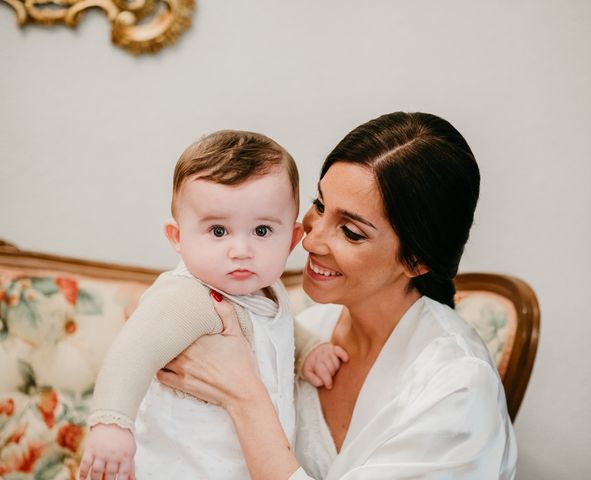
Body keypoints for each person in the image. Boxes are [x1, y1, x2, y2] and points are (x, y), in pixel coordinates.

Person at [157, 112, 518, 479]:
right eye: (319, 205)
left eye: (351, 232)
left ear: (417, 260)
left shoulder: (457, 386)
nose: (310, 240)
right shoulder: (305, 332)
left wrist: (244, 397)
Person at [78, 130, 348, 480]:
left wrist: (308, 349)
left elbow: (275, 327)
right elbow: (132, 352)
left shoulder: (266, 289)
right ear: (178, 237)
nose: (241, 250)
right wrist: (112, 424)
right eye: (218, 231)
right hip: (178, 468)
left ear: (294, 238)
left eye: (262, 231)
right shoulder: (188, 296)